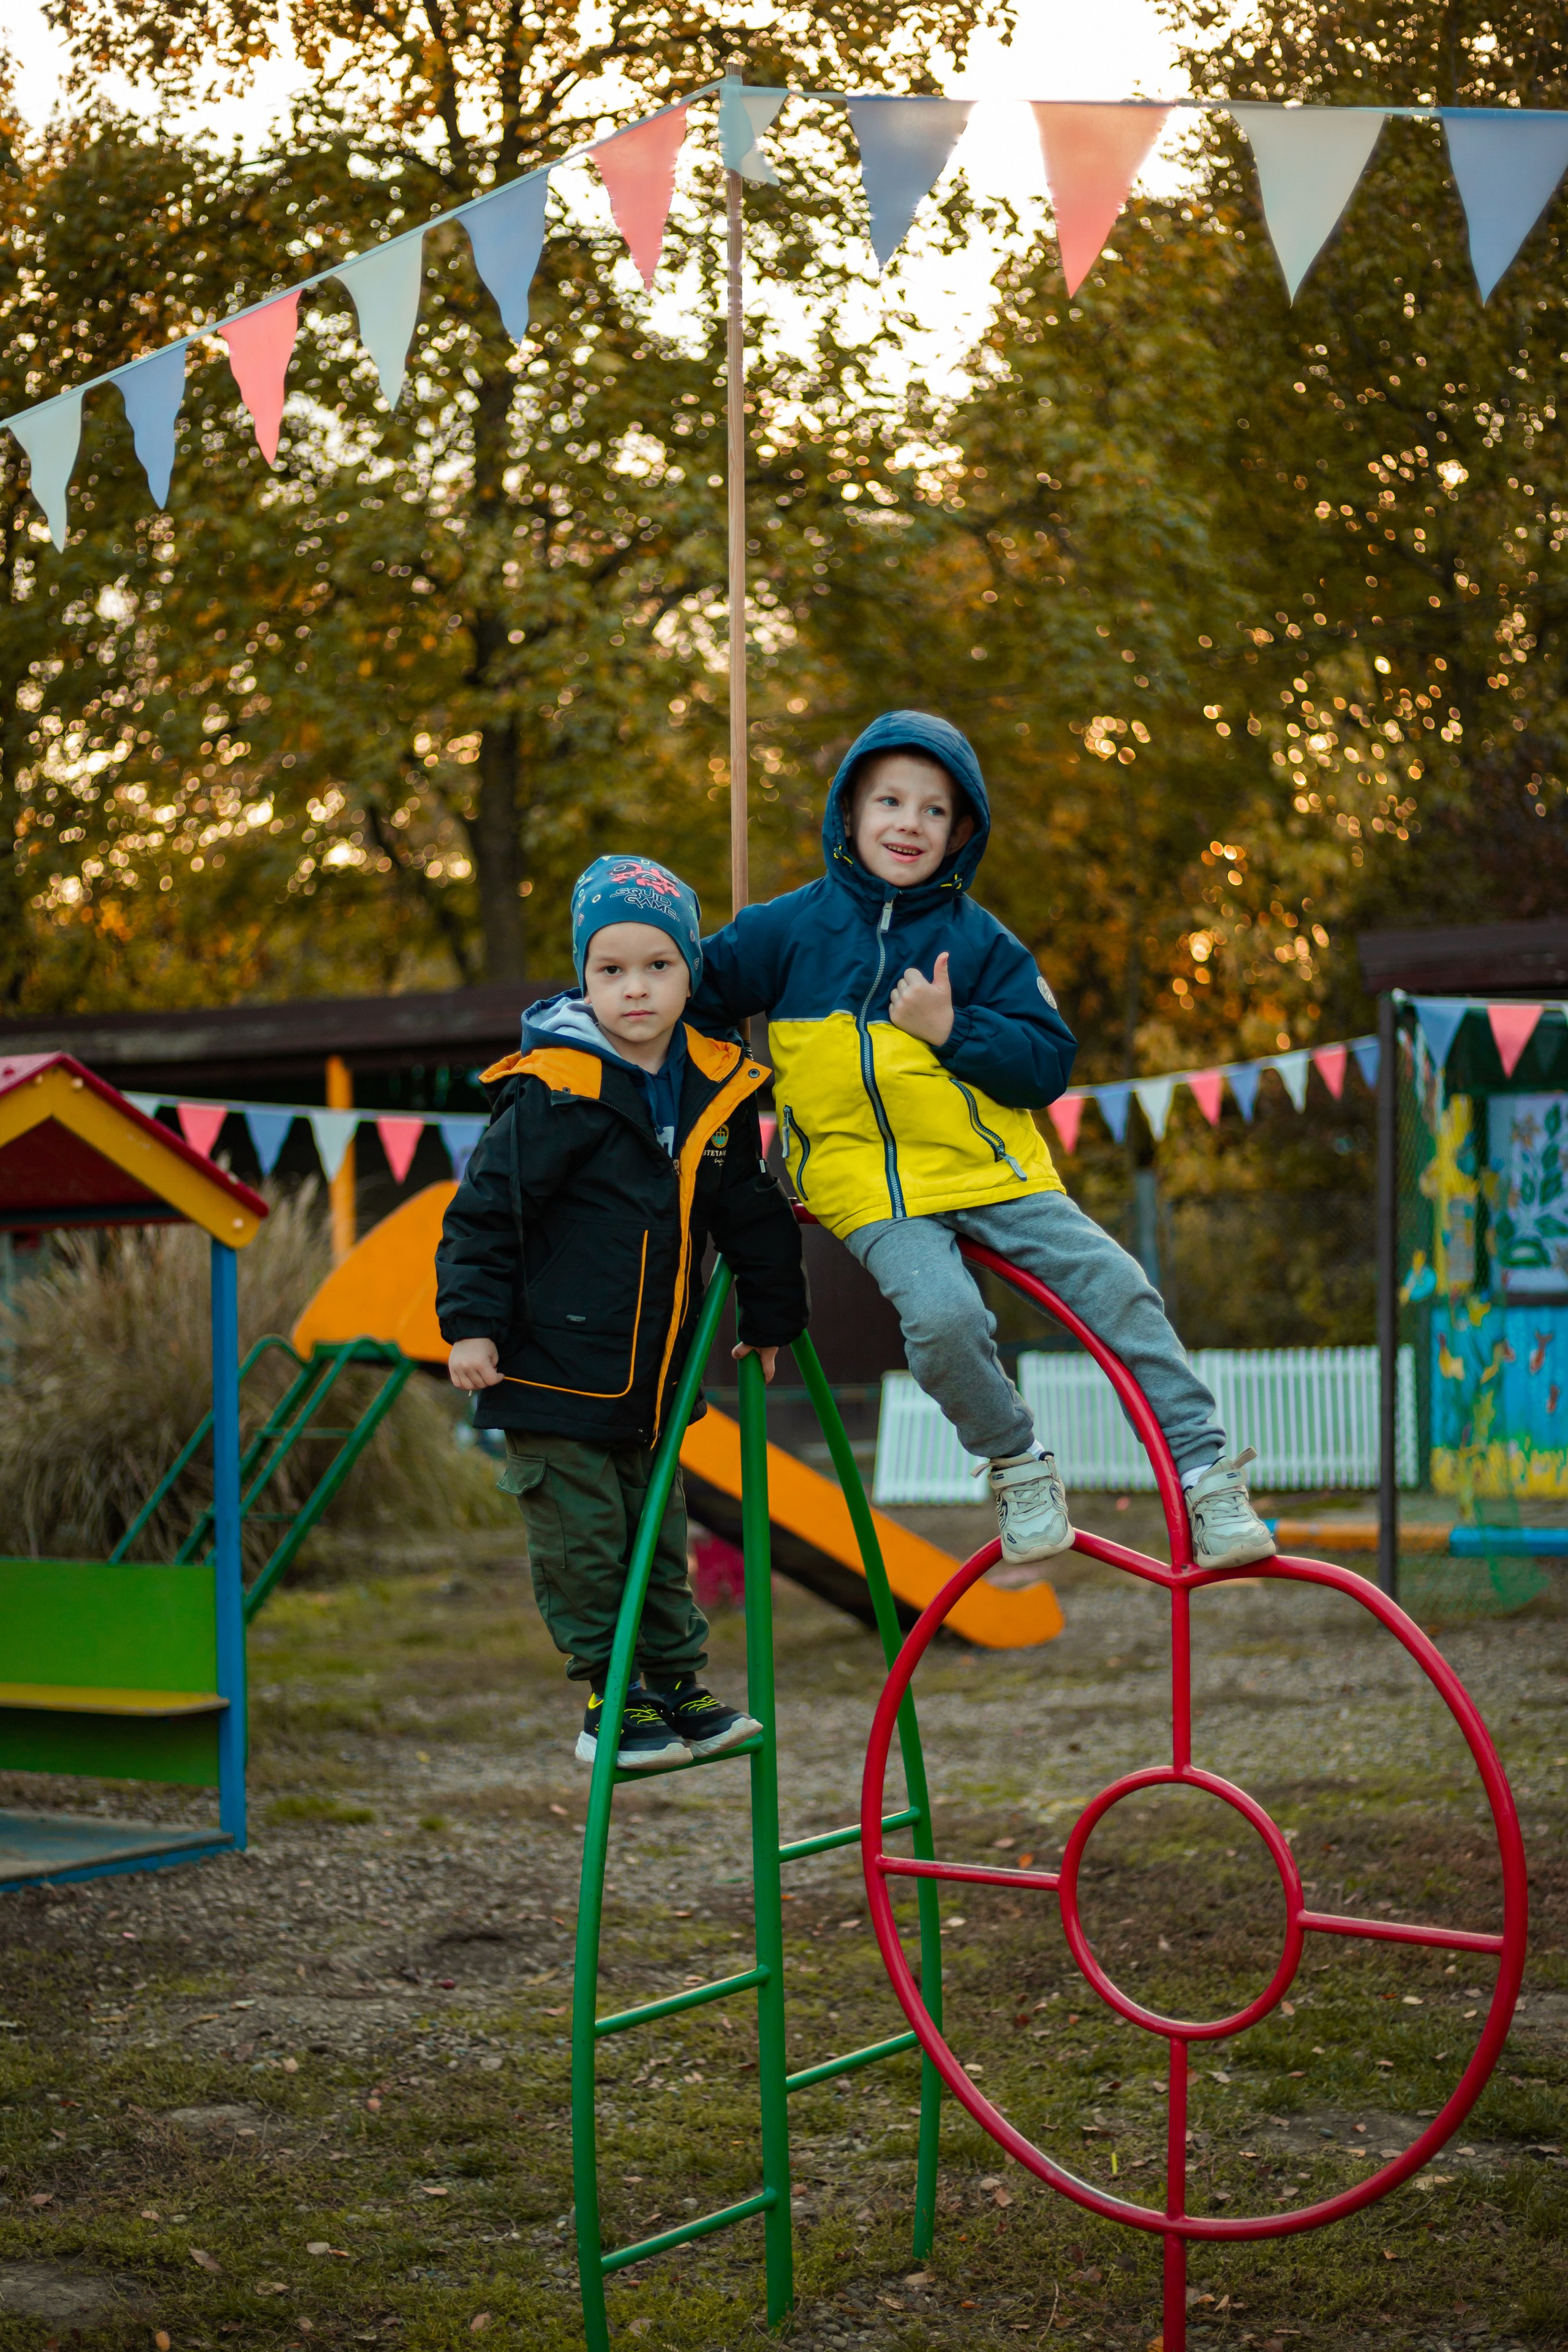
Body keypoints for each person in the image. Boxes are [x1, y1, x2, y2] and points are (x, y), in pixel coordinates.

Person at [689, 710, 1275, 1574]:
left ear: (961, 832)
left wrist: (950, 1028)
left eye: (934, 812)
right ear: (848, 813)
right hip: (871, 1191)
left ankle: (1207, 1474)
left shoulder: (981, 942)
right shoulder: (785, 931)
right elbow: (691, 993)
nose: (908, 825)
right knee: (944, 1318)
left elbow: (1047, 1064)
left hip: (996, 1175)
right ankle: (1016, 1463)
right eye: (889, 801)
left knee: (1117, 1288)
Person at [435, 854, 809, 1768]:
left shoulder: (715, 1091)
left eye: (658, 967)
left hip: (652, 1385)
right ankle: (612, 1697)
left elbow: (750, 1212)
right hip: (544, 1371)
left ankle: (678, 1685)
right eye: (611, 970)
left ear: (691, 974)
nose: (634, 989)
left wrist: (771, 1316)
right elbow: (485, 1213)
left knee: (656, 1532)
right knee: (585, 1543)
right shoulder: (555, 1088)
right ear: (584, 976)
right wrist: (470, 1324)